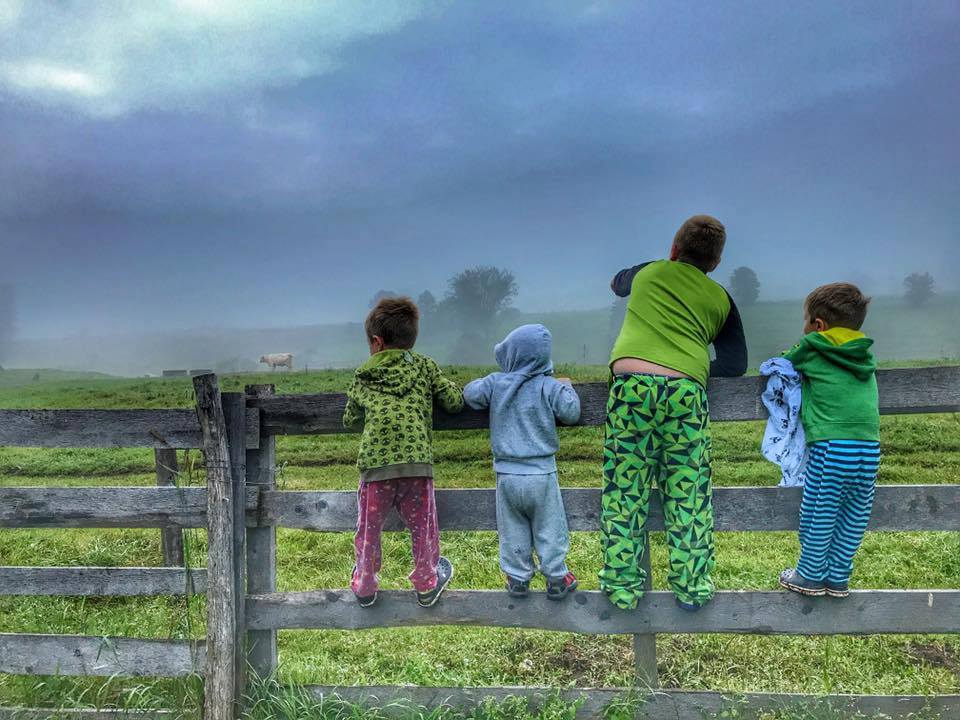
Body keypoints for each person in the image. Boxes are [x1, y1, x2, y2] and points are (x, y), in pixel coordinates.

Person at [601, 214, 748, 611]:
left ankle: (621, 588)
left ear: (673, 249)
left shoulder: (648, 273)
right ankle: (693, 589)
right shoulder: (722, 299)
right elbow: (735, 364)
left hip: (630, 389)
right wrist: (690, 367)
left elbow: (617, 282)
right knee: (689, 492)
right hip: (686, 395)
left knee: (624, 491)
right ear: (715, 263)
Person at [343, 297, 463, 608]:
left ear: (377, 342)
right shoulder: (424, 366)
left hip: (375, 467)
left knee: (368, 528)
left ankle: (365, 584)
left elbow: (350, 419)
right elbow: (453, 401)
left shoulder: (363, 374)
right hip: (416, 465)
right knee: (423, 525)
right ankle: (426, 582)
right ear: (411, 338)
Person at [463, 324, 581, 600]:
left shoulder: (496, 383)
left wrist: (491, 380)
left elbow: (470, 394)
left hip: (507, 476)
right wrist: (566, 386)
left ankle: (517, 577)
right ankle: (556, 576)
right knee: (550, 527)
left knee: (512, 528)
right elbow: (572, 412)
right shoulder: (548, 386)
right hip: (542, 474)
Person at [778, 283, 880, 599]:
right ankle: (837, 578)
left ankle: (808, 576)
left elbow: (785, 362)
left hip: (832, 446)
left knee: (818, 510)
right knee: (854, 513)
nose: (804, 327)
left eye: (806, 320)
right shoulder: (864, 352)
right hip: (869, 447)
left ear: (818, 325)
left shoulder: (813, 347)